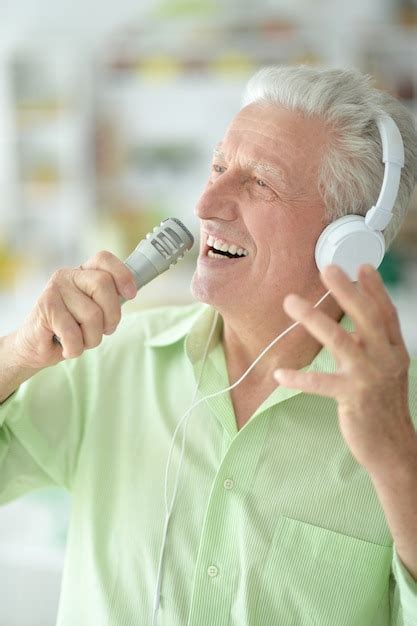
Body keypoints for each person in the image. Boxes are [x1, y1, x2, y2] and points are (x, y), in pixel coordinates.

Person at [1, 65, 417, 626]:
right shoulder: (112, 356)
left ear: (345, 244)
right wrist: (19, 355)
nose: (205, 204)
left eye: (258, 182)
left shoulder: (402, 422)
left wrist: (396, 462)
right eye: (218, 166)